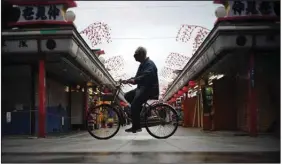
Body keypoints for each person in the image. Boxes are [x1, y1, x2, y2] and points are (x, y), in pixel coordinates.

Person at [123, 46, 159, 133]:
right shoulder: (142, 64)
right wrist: (129, 80)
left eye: (136, 55)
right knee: (127, 95)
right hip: (141, 88)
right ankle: (139, 112)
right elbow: (137, 77)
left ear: (142, 54)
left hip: (149, 89)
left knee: (135, 104)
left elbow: (146, 75)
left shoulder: (149, 64)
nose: (134, 56)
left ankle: (136, 126)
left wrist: (135, 80)